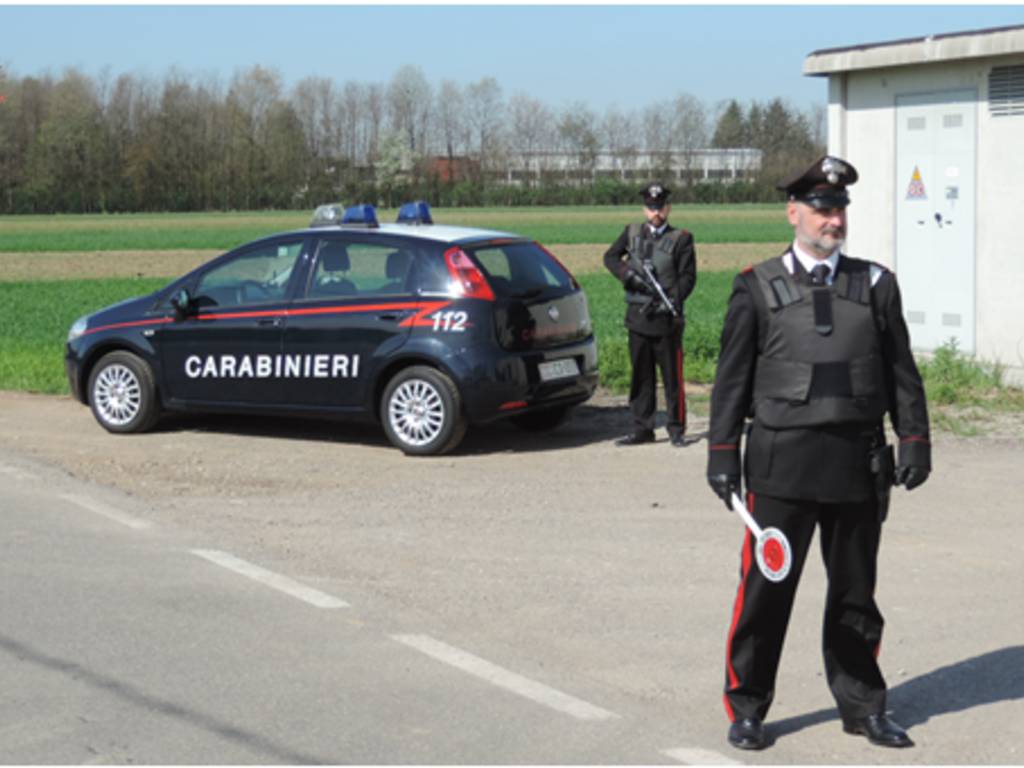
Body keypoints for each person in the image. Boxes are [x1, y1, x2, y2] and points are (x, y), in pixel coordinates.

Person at [706, 155, 931, 751]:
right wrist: (723, 452)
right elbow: (732, 379)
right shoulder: (754, 286)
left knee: (856, 595)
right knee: (765, 591)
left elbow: (900, 370)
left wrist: (914, 438)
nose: (833, 219)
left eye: (839, 209)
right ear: (793, 212)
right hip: (781, 465)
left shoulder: (876, 284)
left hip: (858, 463)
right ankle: (748, 706)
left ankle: (863, 706)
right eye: (822, 208)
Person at [604, 182, 698, 447]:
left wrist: (672, 300)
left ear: (668, 208)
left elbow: (688, 277)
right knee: (641, 377)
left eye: (660, 207)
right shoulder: (632, 232)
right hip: (638, 317)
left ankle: (676, 429)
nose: (656, 212)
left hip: (666, 319)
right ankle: (642, 429)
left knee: (672, 378)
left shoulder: (681, 238)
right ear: (644, 209)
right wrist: (628, 276)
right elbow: (610, 258)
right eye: (651, 207)